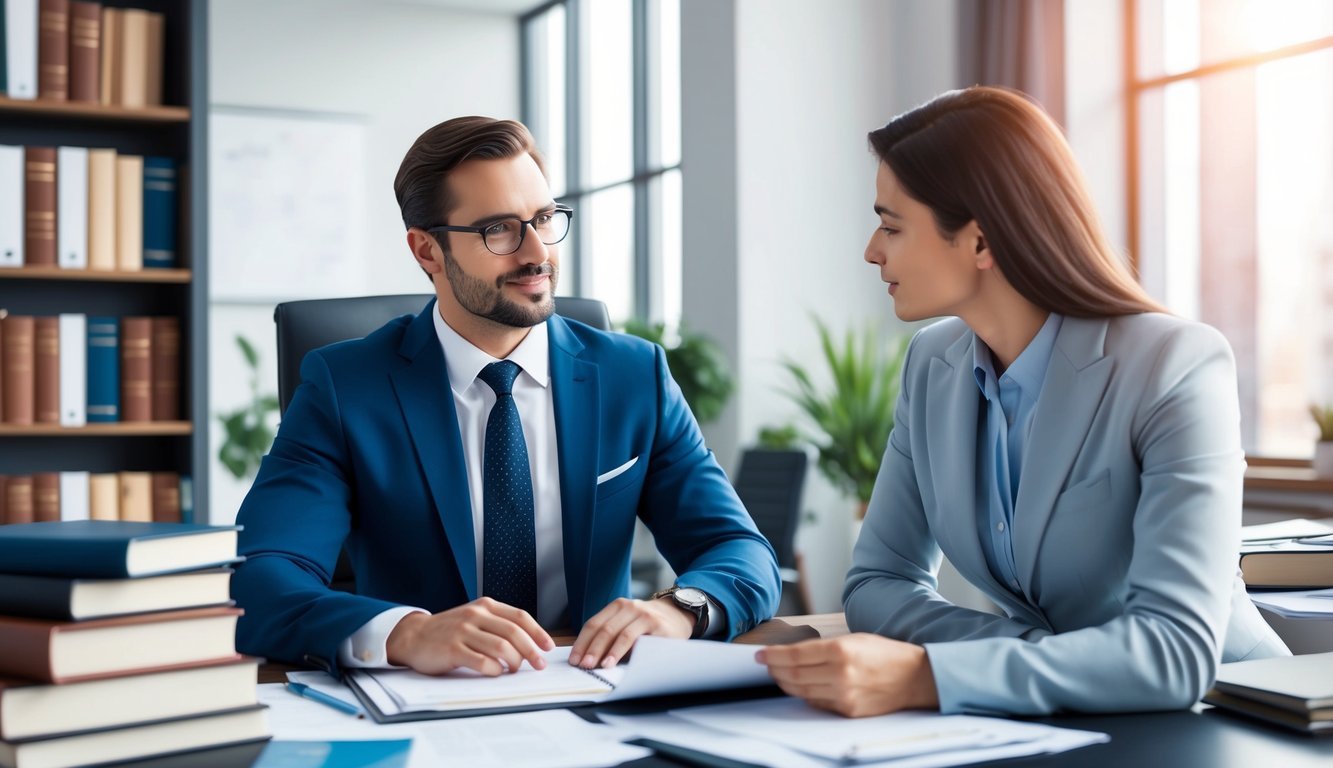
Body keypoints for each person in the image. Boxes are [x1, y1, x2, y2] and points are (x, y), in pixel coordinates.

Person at [758, 86, 1288, 717]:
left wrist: (930, 675)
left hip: (1234, 716)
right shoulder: (932, 365)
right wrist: (1012, 651)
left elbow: (1175, 649)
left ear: (981, 242)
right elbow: (877, 583)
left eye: (891, 225)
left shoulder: (1176, 364)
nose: (872, 250)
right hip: (1068, 722)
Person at [231, 116, 779, 677]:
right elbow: (260, 580)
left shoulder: (634, 375)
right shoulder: (346, 388)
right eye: (499, 230)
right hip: (428, 702)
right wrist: (408, 632)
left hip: (598, 695)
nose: (536, 252)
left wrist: (680, 611)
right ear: (427, 251)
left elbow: (741, 551)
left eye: (543, 218)